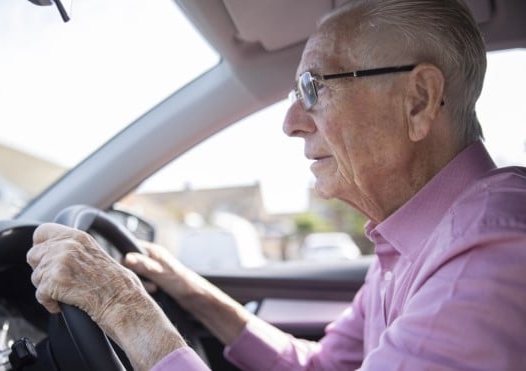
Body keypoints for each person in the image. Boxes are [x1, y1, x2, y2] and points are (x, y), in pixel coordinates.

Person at [26, 0, 526, 369]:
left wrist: (124, 308)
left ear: (417, 100)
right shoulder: (417, 238)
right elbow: (321, 366)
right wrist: (194, 292)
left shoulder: (488, 257)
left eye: (314, 88)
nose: (291, 122)